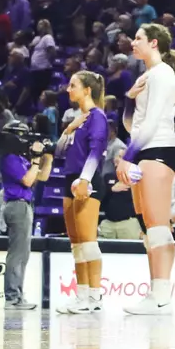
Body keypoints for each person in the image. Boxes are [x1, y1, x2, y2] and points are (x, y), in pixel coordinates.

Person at [114, 24, 175, 315]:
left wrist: (127, 157)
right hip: (145, 149)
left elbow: (156, 120)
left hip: (159, 149)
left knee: (157, 227)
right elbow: (132, 126)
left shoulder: (163, 74)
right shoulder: (146, 76)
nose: (132, 42)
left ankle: (160, 295)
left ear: (154, 43)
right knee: (150, 228)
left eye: (138, 38)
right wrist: (129, 99)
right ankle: (157, 293)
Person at [55, 71, 109, 313]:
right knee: (76, 242)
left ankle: (95, 297)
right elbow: (58, 152)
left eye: (73, 85)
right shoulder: (79, 118)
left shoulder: (98, 116)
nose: (68, 89)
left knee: (88, 241)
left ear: (87, 90)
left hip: (86, 178)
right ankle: (82, 295)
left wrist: (85, 180)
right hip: (70, 177)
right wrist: (68, 130)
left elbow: (96, 151)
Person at [0, 121, 53, 311]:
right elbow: (28, 180)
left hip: (24, 206)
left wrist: (47, 157)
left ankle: (17, 296)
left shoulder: (20, 159)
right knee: (17, 254)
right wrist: (36, 158)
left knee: (23, 254)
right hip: (16, 206)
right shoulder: (10, 158)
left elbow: (42, 177)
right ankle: (12, 297)